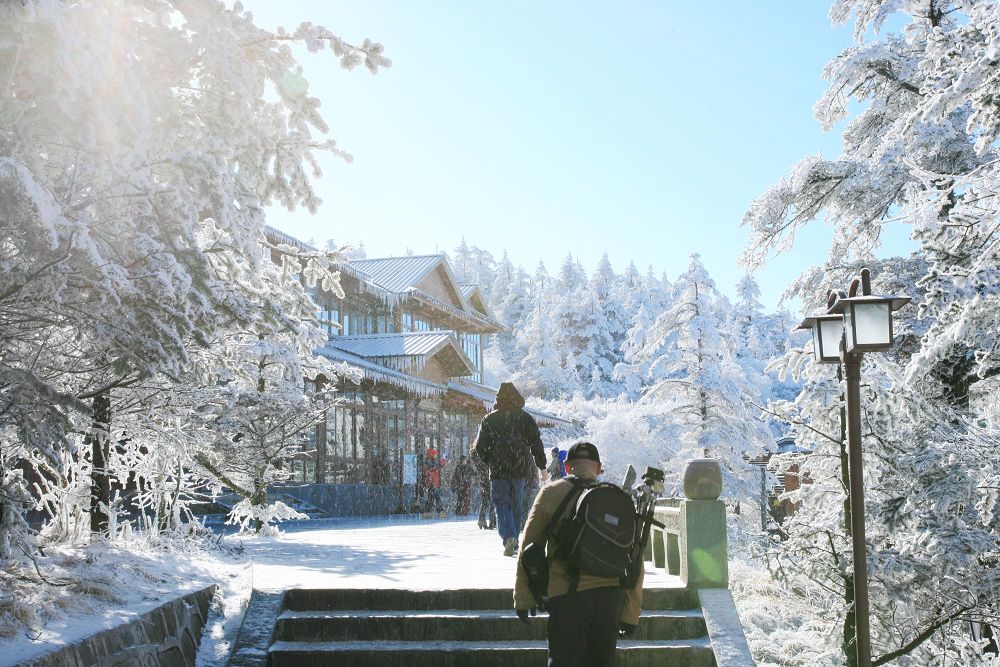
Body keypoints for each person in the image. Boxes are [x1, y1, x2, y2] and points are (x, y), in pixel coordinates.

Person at [514, 441, 644, 667]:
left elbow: (529, 546)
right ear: (598, 468)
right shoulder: (615, 500)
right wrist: (630, 612)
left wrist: (524, 597)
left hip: (567, 596)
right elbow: (635, 557)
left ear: (566, 467)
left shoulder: (551, 493)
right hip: (610, 597)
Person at [471, 382, 547, 557]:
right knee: (516, 505)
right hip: (519, 469)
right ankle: (514, 539)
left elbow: (480, 448)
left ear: (498, 399)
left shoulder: (490, 419)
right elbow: (536, 443)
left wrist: (490, 460)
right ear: (517, 398)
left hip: (498, 471)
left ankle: (508, 537)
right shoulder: (525, 418)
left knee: (501, 504)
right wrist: (542, 466)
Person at [473, 451, 496, 529]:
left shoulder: (480, 457)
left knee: (486, 499)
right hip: (489, 479)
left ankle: (482, 520)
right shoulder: (486, 455)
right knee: (491, 499)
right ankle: (492, 521)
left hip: (484, 479)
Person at [423, 445, 444, 515]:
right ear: (431, 455)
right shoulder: (430, 462)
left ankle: (427, 512)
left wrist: (442, 460)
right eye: (434, 454)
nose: (435, 455)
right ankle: (440, 511)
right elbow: (439, 466)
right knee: (437, 498)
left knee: (430, 499)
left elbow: (440, 465)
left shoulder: (431, 461)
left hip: (432, 482)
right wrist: (442, 460)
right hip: (432, 483)